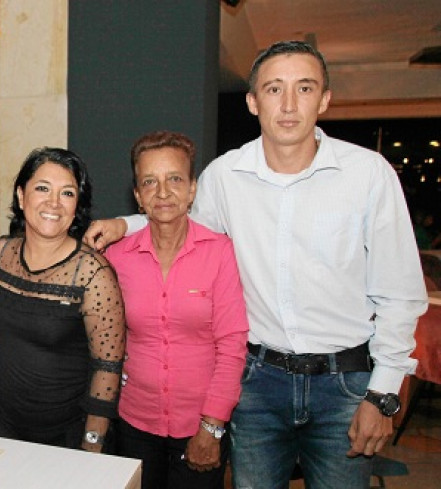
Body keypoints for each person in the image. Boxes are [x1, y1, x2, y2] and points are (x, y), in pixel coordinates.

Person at [85, 41, 427, 488]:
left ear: (324, 99)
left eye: (303, 88)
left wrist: (382, 395)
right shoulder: (226, 176)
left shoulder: (368, 175)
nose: (288, 104)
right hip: (258, 387)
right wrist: (123, 225)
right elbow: (176, 217)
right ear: (252, 101)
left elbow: (400, 295)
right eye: (273, 89)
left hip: (344, 385)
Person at [105, 131, 248, 488]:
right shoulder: (117, 257)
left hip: (199, 425)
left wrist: (212, 428)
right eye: (150, 182)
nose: (163, 192)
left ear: (192, 190)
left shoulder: (220, 253)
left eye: (175, 179)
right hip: (134, 424)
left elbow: (232, 347)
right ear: (138, 195)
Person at [0, 147, 126, 452]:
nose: (54, 203)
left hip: (68, 438)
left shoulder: (93, 274)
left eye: (67, 193)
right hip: (5, 429)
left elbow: (108, 368)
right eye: (42, 189)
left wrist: (93, 443)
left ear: (77, 205)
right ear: (21, 197)